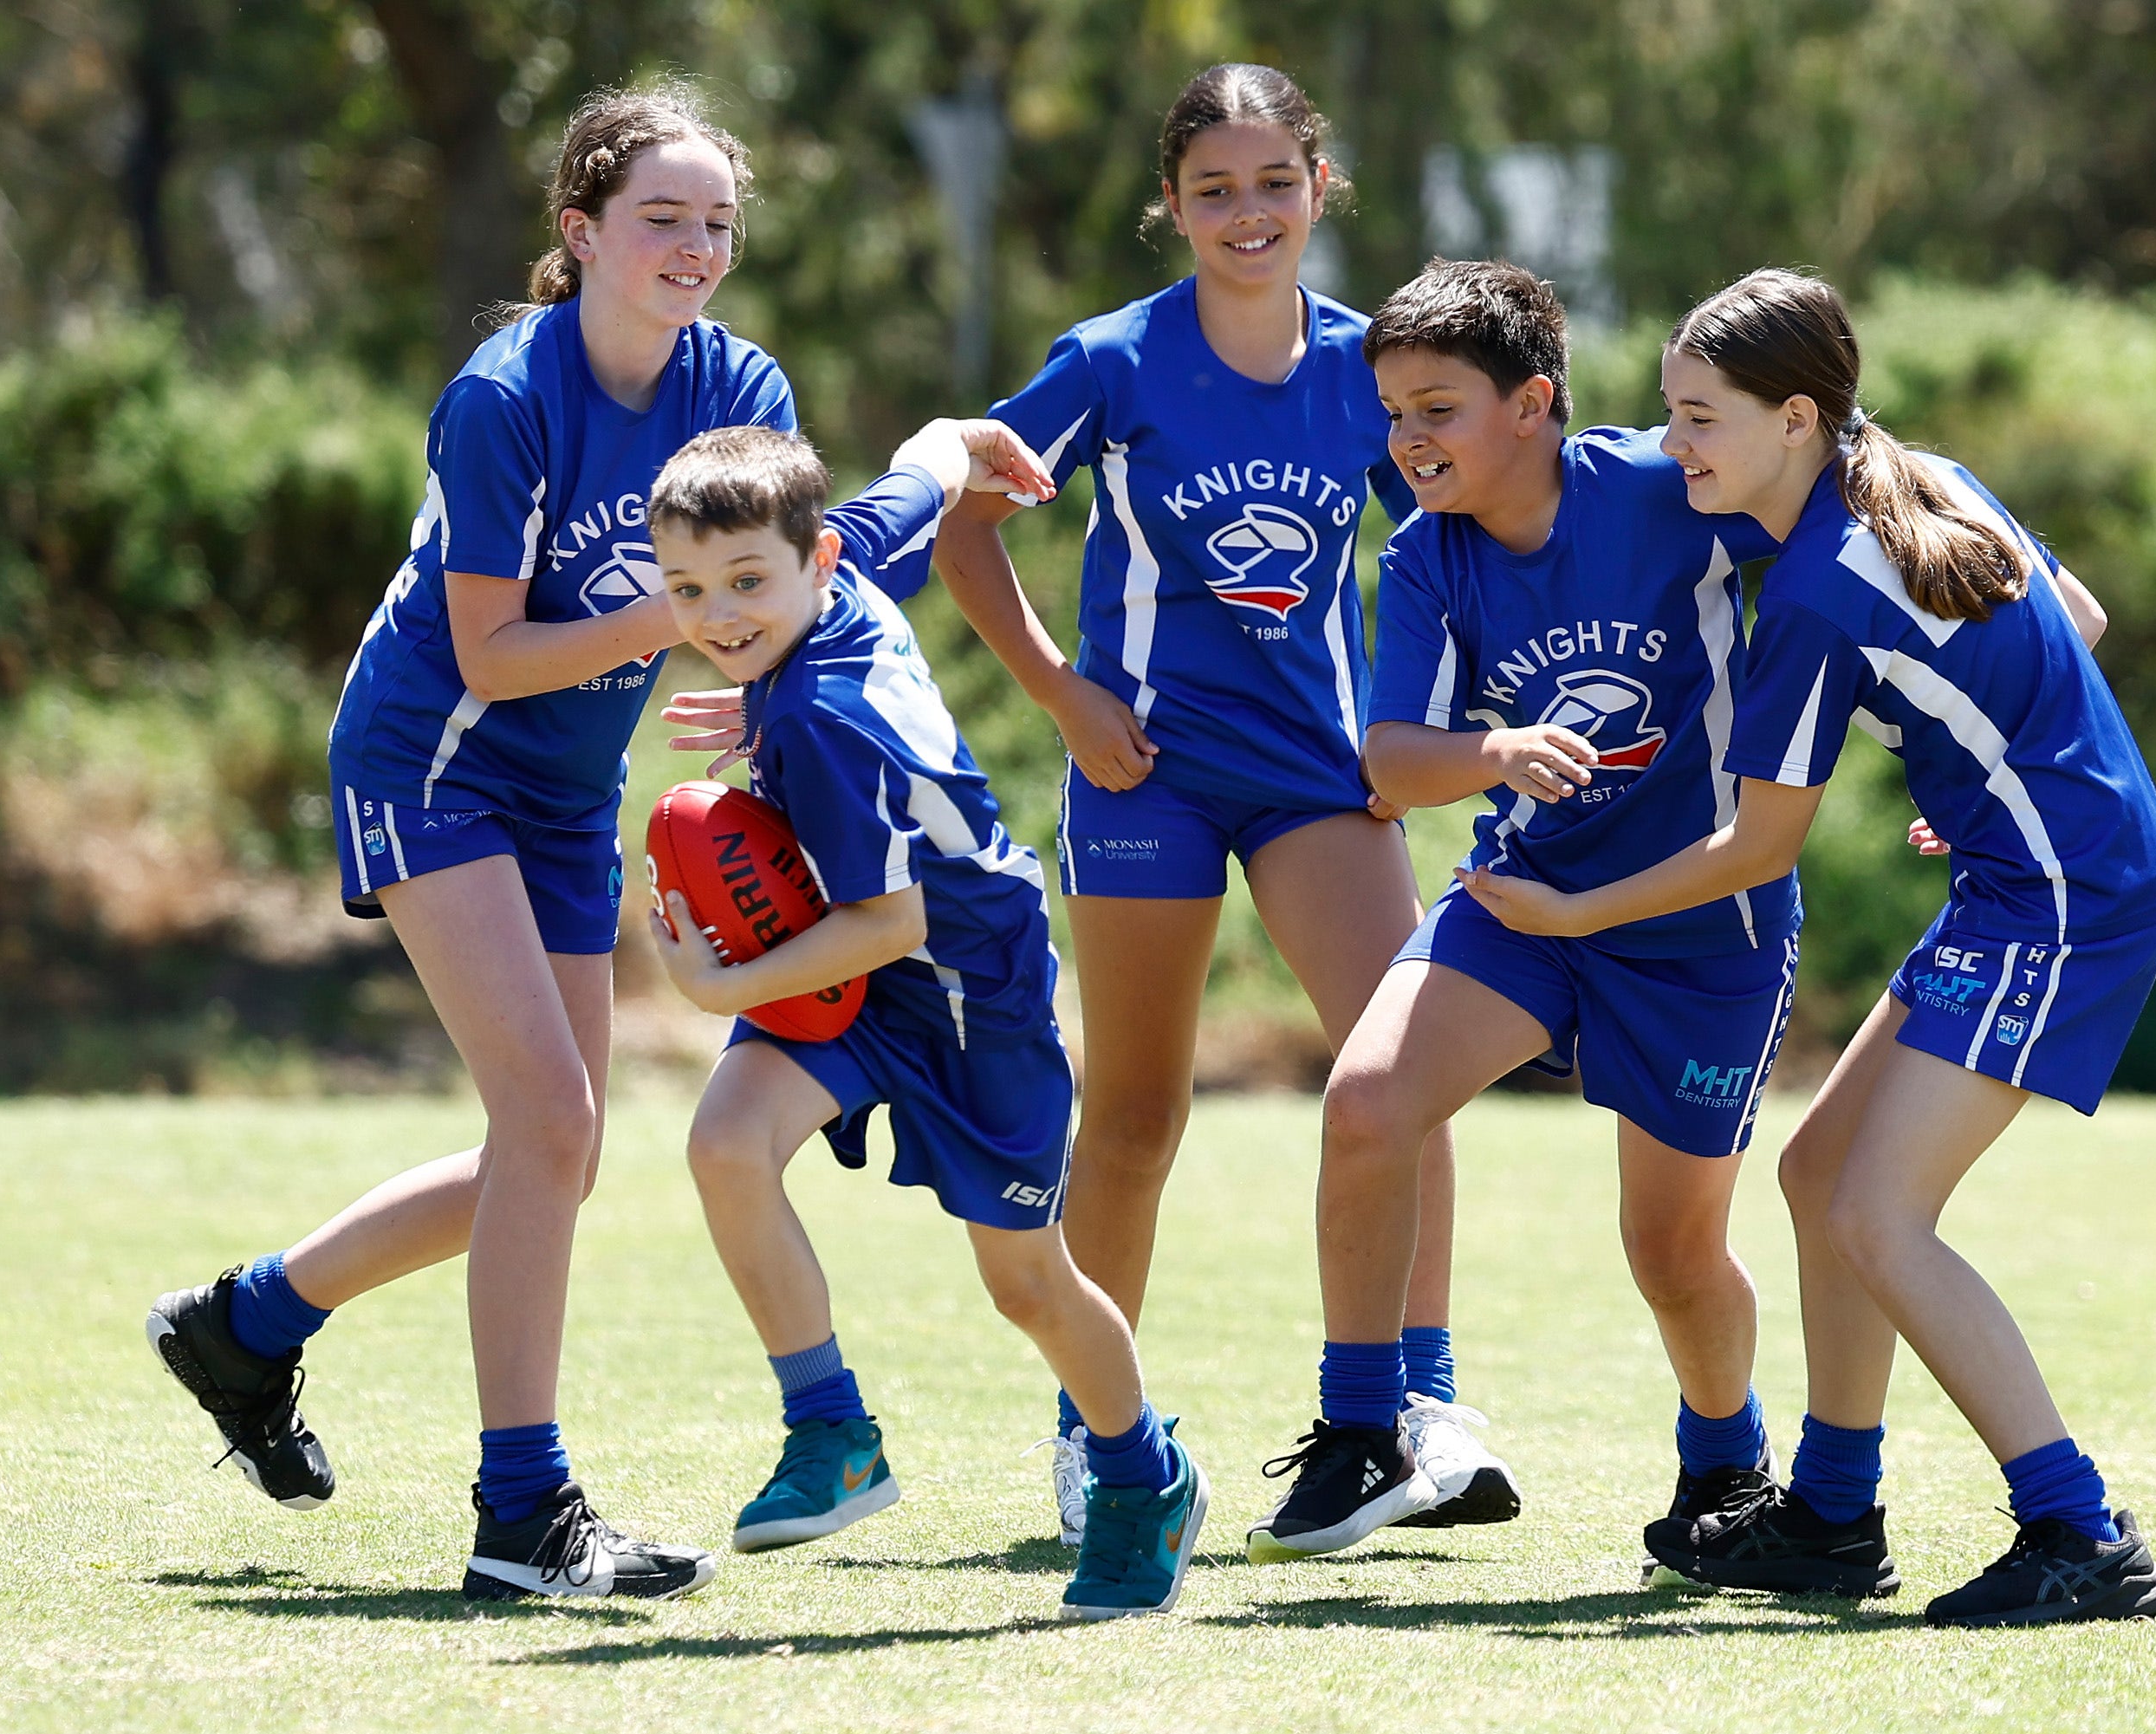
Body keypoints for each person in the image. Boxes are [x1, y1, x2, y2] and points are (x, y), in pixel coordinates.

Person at [145, 83, 795, 1601]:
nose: (695, 247)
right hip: (429, 761)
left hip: (566, 793)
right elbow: (495, 656)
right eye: (660, 219)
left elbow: (784, 574)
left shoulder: (736, 380)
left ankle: (244, 1323)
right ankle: (522, 1512)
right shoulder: (508, 394)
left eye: (717, 222)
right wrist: (690, 611)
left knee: (549, 1154)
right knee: (555, 1120)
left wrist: (763, 685)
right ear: (581, 231)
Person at [1465, 267, 2156, 1627]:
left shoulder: (1805, 595)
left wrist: (1568, 915)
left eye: (1697, 419)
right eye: (1670, 417)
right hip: (2031, 871)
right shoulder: (1930, 476)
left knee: (1874, 1213)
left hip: (2065, 896)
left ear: (1795, 418)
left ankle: (2079, 1531)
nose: (1675, 447)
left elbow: (1752, 850)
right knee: (1813, 1176)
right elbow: (2071, 620)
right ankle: (1834, 1517)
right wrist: (1979, 777)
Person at [928, 62, 1515, 1546]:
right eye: (1213, 190)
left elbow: (1455, 540)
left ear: (1320, 189)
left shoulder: (1371, 363)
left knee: (1404, 1072)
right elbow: (965, 523)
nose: (1246, 214)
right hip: (1148, 773)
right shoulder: (1110, 361)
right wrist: (1062, 692)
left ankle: (1413, 1413)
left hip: (1322, 775)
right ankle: (1098, 1435)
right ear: (1172, 208)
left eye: (1273, 184)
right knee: (1132, 1112)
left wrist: (1441, 730)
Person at [1245, 259, 1800, 1563]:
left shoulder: (1671, 490)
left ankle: (1727, 1461)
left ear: (1532, 402)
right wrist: (1494, 752)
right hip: (1523, 895)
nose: (1408, 441)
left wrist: (2018, 615)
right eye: (1391, 413)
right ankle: (1360, 1428)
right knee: (1367, 1101)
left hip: (1697, 923)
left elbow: (1850, 523)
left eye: (1436, 408)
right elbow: (1389, 760)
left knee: (1669, 1251)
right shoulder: (1430, 557)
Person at [643, 419, 1207, 1621]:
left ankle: (1142, 1476)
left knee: (1026, 1284)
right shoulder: (847, 561)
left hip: (967, 989)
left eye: (748, 583)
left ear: (818, 562)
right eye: (688, 588)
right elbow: (927, 466)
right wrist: (965, 437)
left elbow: (890, 922)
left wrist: (714, 988)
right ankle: (829, 1429)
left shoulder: (821, 721)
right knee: (725, 1144)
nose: (720, 614)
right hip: (864, 973)